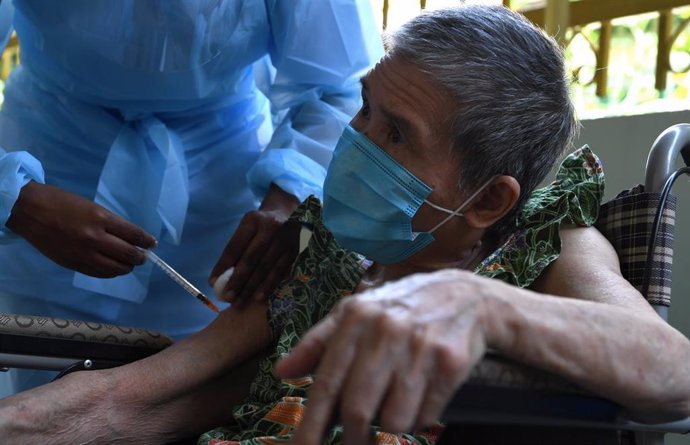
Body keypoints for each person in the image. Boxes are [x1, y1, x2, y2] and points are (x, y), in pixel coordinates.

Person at [1, 5, 689, 445]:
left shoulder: (536, 247)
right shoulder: (320, 251)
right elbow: (134, 397)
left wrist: (478, 302)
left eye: (395, 133)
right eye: (363, 111)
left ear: (486, 200)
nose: (354, 144)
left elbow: (673, 371)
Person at [0, 0, 383, 395]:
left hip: (222, 202)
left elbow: (343, 86)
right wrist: (17, 199)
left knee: (199, 391)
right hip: (50, 177)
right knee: (42, 383)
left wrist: (290, 196)